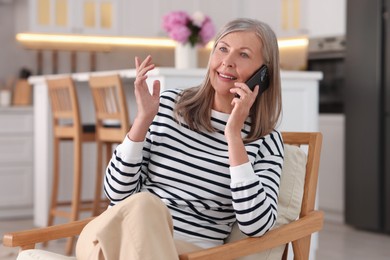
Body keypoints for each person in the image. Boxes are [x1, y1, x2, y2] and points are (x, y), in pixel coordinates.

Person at [76, 17, 284, 260]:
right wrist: (143, 120)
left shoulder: (266, 140)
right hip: (111, 235)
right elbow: (116, 192)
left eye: (244, 55)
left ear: (263, 74)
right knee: (143, 205)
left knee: (143, 210)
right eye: (223, 49)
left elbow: (256, 225)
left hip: (188, 250)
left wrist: (233, 136)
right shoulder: (167, 106)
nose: (227, 62)